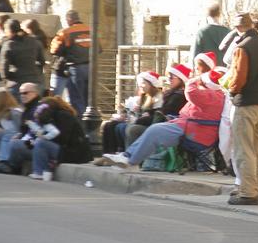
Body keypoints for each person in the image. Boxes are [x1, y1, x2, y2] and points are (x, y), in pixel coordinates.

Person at [95, 70, 226, 170]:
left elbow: (190, 91)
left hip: (193, 132)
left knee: (154, 131)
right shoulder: (214, 95)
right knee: (152, 130)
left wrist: (196, 79)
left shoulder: (211, 95)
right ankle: (127, 156)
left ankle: (130, 159)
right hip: (190, 127)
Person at [225, 12, 258, 205]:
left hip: (246, 102)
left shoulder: (242, 47)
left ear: (238, 28)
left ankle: (248, 191)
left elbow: (239, 78)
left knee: (244, 148)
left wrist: (232, 91)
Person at [4, 96, 90, 178]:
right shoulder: (49, 118)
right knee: (16, 143)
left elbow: (63, 139)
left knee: (40, 142)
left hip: (69, 152)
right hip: (50, 146)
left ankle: (39, 172)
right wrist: (30, 143)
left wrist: (44, 137)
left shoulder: (64, 116)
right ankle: (12, 167)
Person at [49, 10, 92, 113]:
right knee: (87, 98)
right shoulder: (91, 30)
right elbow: (98, 49)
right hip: (89, 67)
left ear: (69, 19)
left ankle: (80, 123)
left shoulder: (65, 32)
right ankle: (88, 123)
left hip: (75, 68)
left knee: (76, 99)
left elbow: (54, 50)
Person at [0, 19, 45, 96]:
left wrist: (8, 78)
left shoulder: (8, 45)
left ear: (8, 30)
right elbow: (42, 61)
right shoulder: (34, 41)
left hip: (17, 83)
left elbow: (4, 70)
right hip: (35, 81)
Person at [0, 90, 23, 166]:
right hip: (9, 133)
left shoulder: (15, 112)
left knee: (7, 136)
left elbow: (19, 128)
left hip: (17, 134)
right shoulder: (1, 113)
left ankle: (4, 161)